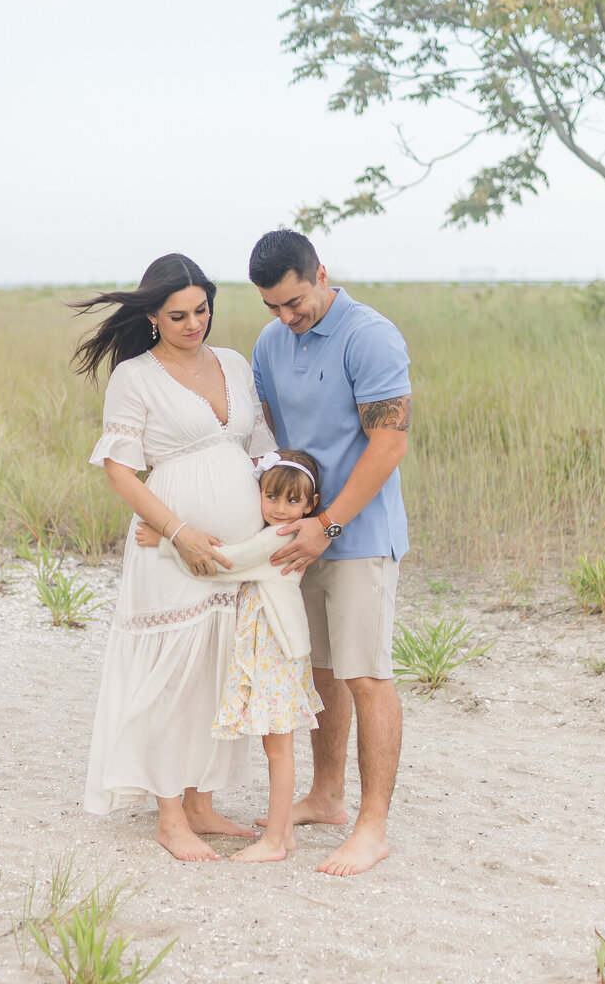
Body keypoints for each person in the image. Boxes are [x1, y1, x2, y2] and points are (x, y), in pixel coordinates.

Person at [71, 252, 277, 862]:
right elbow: (118, 470)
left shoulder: (234, 363)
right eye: (179, 315)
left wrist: (270, 520)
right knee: (172, 675)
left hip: (236, 556)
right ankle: (168, 817)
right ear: (154, 316)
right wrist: (177, 530)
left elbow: (260, 444)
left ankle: (201, 803)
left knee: (217, 671)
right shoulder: (135, 376)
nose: (194, 324)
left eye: (202, 311)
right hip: (170, 549)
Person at [248, 229, 411, 877]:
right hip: (299, 537)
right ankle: (326, 796)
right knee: (319, 670)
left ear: (319, 272)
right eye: (273, 308)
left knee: (365, 674)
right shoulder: (269, 343)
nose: (287, 318)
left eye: (295, 302)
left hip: (359, 536)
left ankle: (372, 828)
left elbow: (389, 445)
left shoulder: (369, 336)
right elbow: (273, 437)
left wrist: (330, 525)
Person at [138, 449, 324, 862]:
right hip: (269, 648)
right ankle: (282, 836)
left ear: (311, 505)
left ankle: (275, 841)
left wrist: (167, 542)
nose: (280, 509)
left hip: (276, 652)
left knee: (278, 749)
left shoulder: (284, 537)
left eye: (293, 501)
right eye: (271, 496)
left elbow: (228, 563)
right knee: (276, 747)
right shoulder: (276, 530)